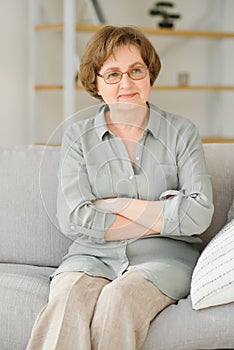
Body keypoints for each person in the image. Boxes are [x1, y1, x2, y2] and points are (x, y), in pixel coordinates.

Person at [27, 25, 214, 350]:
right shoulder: (78, 137)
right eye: (112, 74)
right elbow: (73, 218)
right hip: (90, 257)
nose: (126, 83)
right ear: (96, 82)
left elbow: (198, 214)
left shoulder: (181, 132)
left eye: (135, 70)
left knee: (118, 300)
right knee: (67, 299)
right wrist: (165, 212)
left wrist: (115, 204)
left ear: (149, 74)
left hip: (165, 260)